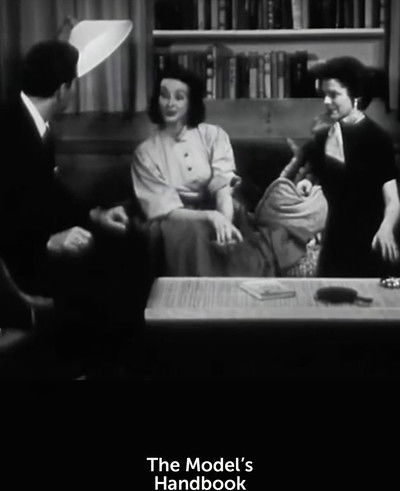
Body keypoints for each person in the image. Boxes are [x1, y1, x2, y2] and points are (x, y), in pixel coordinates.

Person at [131, 64, 327, 277]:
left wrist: (223, 219)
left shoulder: (213, 135)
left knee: (248, 249)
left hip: (221, 207)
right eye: (164, 95)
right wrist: (210, 217)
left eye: (179, 97)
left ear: (190, 102)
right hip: (179, 219)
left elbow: (222, 188)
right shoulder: (145, 153)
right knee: (190, 233)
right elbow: (166, 208)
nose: (170, 104)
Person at [0, 40, 134, 328]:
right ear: (63, 90)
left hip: (31, 244)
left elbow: (49, 191)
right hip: (14, 264)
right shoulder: (8, 127)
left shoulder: (36, 123)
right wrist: (48, 243)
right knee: (106, 276)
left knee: (124, 247)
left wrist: (95, 214)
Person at [285, 56, 400, 277]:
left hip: (370, 238)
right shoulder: (323, 136)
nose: (327, 101)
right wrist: (308, 183)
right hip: (334, 241)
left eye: (334, 94)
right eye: (324, 95)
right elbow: (317, 175)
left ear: (355, 95)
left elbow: (393, 199)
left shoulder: (377, 139)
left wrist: (386, 228)